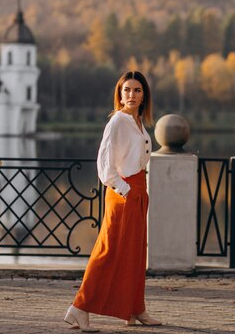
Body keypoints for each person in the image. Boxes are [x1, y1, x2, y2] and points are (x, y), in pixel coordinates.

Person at [64, 71, 162, 332]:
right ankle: (79, 308)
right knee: (108, 252)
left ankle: (134, 309)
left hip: (138, 190)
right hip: (124, 193)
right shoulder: (117, 122)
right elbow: (104, 165)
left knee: (135, 253)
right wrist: (124, 189)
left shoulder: (138, 122)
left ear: (144, 96)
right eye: (127, 89)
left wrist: (135, 190)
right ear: (120, 94)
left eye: (137, 90)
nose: (131, 94)